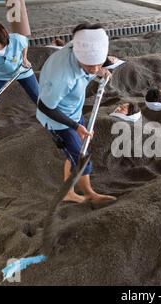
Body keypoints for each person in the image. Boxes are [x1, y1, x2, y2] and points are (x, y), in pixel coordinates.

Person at [36, 23, 116, 205]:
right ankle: (89, 194)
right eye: (90, 66)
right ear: (79, 58)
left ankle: (68, 192)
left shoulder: (81, 43)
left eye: (98, 64)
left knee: (75, 152)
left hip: (73, 109)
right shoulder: (63, 76)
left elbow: (95, 64)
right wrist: (75, 126)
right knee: (82, 158)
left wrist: (100, 71)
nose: (94, 69)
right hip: (57, 120)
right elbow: (45, 106)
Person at [0, 22, 39, 118]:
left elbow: (25, 42)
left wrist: (25, 58)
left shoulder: (16, 39)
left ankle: (52, 118)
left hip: (22, 70)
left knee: (37, 96)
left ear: (2, 39)